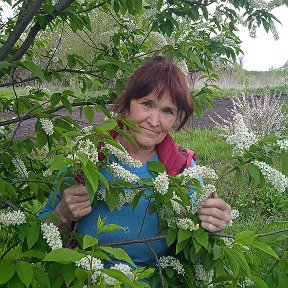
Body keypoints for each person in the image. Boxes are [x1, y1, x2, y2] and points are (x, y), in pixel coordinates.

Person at [39, 56, 231, 267]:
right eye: (147, 104)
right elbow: (40, 238)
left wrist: (216, 227)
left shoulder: (182, 169)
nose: (154, 121)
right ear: (127, 104)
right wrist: (62, 215)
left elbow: (200, 249)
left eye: (168, 111)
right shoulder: (86, 159)